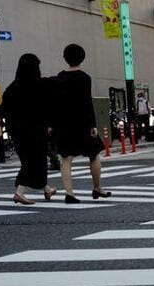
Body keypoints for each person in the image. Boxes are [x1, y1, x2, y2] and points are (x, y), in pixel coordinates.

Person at [55, 44, 110, 204]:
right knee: (94, 153)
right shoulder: (84, 78)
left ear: (65, 58)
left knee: (66, 158)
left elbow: (56, 102)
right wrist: (93, 125)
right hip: (82, 122)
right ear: (82, 58)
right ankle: (97, 187)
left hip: (63, 123)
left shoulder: (60, 77)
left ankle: (69, 193)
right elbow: (87, 102)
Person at [0, 53, 57, 205]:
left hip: (17, 131)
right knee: (33, 162)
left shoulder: (12, 88)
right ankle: (19, 192)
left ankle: (47, 189)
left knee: (33, 160)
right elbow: (47, 107)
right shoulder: (39, 85)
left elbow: (3, 108)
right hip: (35, 130)